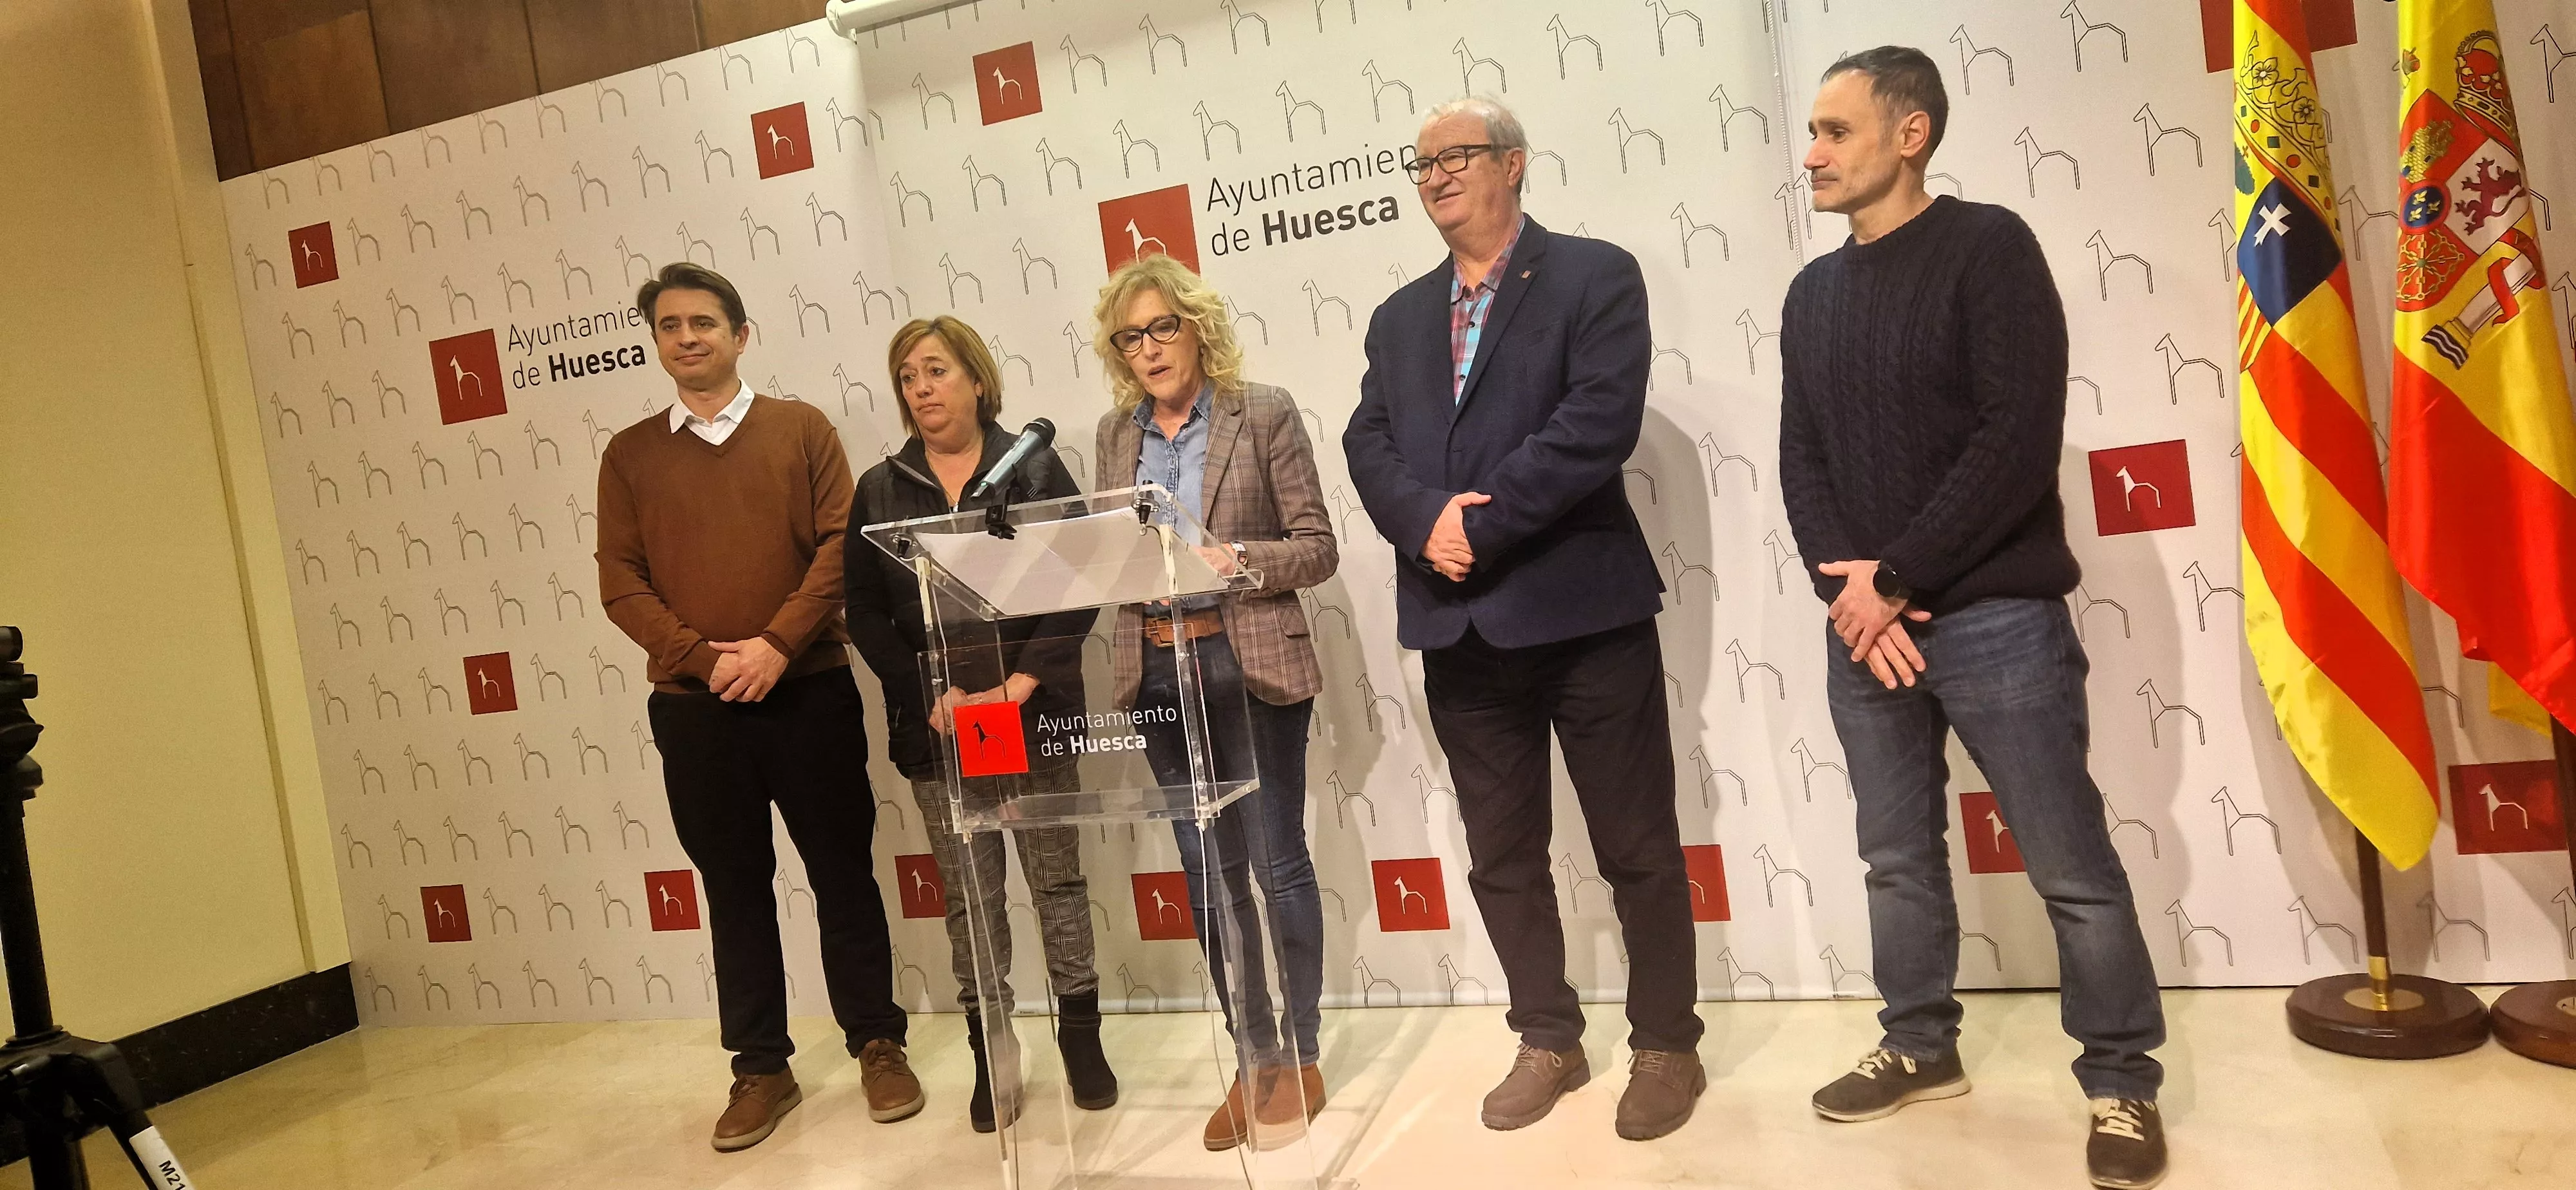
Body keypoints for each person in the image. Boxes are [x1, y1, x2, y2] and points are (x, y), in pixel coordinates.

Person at [1777, 48, 2168, 1190]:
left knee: (2070, 865)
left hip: (1995, 617)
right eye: (1812, 131)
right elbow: (1804, 460)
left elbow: (2014, 438)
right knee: (1896, 859)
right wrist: (1850, 596)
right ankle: (1919, 1043)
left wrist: (1894, 576)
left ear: (1911, 134)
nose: (1812, 153)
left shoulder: (1990, 248)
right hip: (1869, 629)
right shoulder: (1811, 295)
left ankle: (2122, 1082)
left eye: (1836, 131)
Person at [1343, 97, 1703, 1142]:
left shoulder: (1594, 276)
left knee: (1636, 846)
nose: (1436, 176)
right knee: (1502, 857)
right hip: (1460, 629)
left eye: (1455, 156)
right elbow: (1369, 442)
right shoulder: (1399, 317)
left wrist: (1477, 524)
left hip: (1584, 616)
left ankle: (1666, 1043)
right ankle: (1547, 1036)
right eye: (1421, 164)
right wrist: (1426, 522)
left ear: (1513, 164)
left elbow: (1596, 424)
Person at [594, 262, 918, 1151]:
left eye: (703, 322)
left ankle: (878, 1043)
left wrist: (776, 645)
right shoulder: (629, 455)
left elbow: (840, 546)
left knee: (842, 876)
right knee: (734, 890)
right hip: (694, 710)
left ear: (741, 336)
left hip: (807, 689)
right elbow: (620, 581)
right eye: (669, 326)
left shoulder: (801, 429)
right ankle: (761, 1068)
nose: (686, 337)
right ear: (656, 342)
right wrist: (706, 662)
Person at [1090, 252, 1339, 1153]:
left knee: (1275, 864)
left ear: (1196, 328)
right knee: (1206, 877)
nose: (1150, 348)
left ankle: (1302, 1053)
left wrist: (1238, 561)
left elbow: (1316, 546)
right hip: (1157, 670)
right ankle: (1253, 1056)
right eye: (1131, 338)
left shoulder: (1260, 412)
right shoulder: (1114, 436)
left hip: (1247, 662)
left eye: (1163, 327)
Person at [843, 316, 1112, 1133]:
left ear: (977, 380)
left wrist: (1021, 682)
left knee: (1056, 882)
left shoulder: (1033, 467)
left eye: (936, 370)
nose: (921, 388)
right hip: (940, 724)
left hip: (1028, 712)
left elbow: (1081, 578)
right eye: (908, 377)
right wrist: (928, 691)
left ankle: (1080, 1037)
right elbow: (864, 609)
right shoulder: (880, 488)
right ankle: (991, 1047)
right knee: (970, 896)